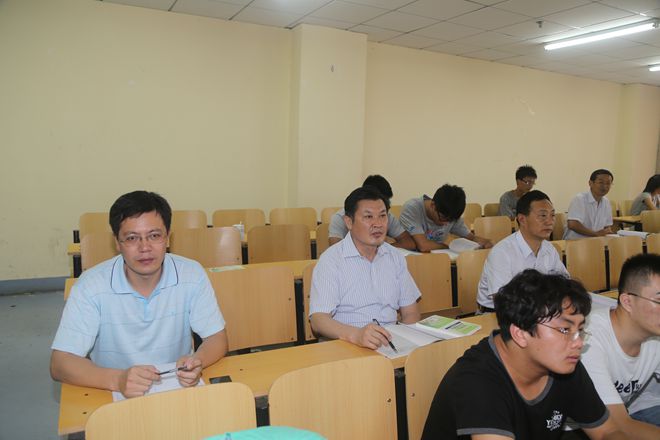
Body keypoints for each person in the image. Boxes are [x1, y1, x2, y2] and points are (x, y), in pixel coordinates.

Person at [51, 191, 228, 398]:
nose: (145, 248)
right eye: (132, 238)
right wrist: (118, 380)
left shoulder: (192, 274)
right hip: (112, 393)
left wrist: (197, 361)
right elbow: (60, 363)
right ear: (117, 243)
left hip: (176, 390)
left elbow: (217, 338)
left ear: (167, 237)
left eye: (154, 236)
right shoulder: (91, 285)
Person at [422, 270, 628, 440]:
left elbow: (607, 432)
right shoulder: (476, 379)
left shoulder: (564, 363)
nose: (578, 342)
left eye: (580, 330)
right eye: (565, 330)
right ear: (520, 334)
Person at [309, 186, 421, 350]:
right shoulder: (331, 260)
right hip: (345, 345)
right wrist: (356, 335)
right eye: (368, 217)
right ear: (349, 222)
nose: (378, 224)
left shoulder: (395, 256)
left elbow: (411, 312)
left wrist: (408, 344)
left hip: (391, 344)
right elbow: (318, 320)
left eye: (382, 216)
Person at [581, 253, 660, 438]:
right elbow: (617, 425)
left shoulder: (654, 335)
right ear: (627, 302)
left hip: (623, 415)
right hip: (573, 429)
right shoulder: (589, 338)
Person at [477, 190, 568, 313]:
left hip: (539, 309)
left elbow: (564, 282)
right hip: (497, 314)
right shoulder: (501, 252)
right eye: (542, 215)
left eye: (552, 215)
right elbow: (503, 302)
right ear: (522, 219)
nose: (550, 221)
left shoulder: (549, 249)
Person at [328, 175, 415, 250]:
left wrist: (382, 249)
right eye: (368, 216)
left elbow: (409, 243)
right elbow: (336, 250)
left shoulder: (386, 216)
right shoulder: (341, 218)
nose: (378, 223)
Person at [399, 184, 493, 252]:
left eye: (451, 221)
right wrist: (447, 247)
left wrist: (484, 243)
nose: (446, 224)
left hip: (438, 258)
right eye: (443, 218)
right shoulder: (412, 209)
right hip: (412, 260)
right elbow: (423, 246)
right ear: (433, 205)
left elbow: (471, 237)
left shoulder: (450, 214)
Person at [564, 169, 614, 240]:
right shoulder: (579, 199)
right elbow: (573, 224)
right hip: (575, 242)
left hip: (596, 241)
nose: (605, 186)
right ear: (590, 183)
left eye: (608, 183)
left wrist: (609, 233)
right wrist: (595, 234)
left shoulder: (606, 202)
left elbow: (607, 227)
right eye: (601, 182)